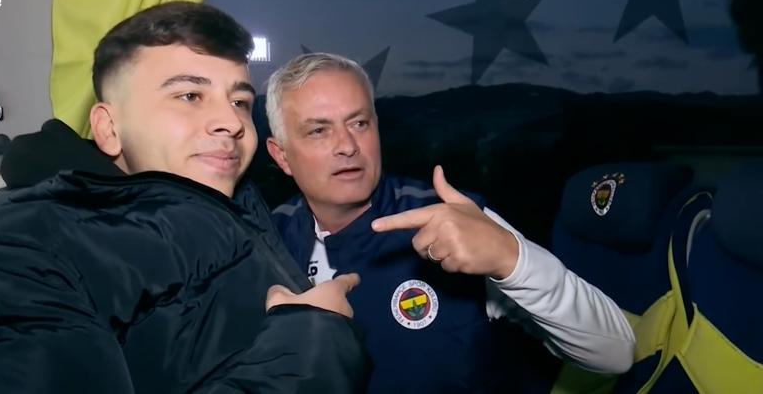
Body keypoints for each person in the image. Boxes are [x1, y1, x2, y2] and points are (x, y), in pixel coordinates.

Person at [0, 4, 369, 393]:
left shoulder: (238, 210)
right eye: (189, 95)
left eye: (239, 102)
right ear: (109, 128)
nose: (231, 123)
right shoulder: (25, 253)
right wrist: (311, 339)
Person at [265, 53, 636, 393]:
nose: (347, 145)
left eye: (359, 123)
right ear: (281, 156)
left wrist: (511, 259)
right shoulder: (266, 238)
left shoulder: (453, 219)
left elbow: (616, 353)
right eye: (319, 130)